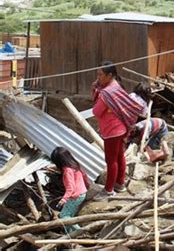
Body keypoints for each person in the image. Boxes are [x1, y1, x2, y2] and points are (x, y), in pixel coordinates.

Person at [92, 61, 143, 200]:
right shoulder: (116, 87)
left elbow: (96, 111)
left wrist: (98, 95)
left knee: (111, 160)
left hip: (112, 131)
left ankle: (108, 190)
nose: (98, 77)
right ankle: (120, 184)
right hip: (121, 128)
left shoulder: (106, 93)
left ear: (109, 75)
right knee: (119, 156)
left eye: (100, 75)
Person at [51, 147, 89, 233]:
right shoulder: (74, 165)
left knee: (64, 216)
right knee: (70, 215)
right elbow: (84, 176)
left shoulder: (67, 171)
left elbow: (70, 188)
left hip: (76, 196)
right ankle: (70, 233)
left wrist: (63, 199)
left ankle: (81, 231)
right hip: (82, 193)